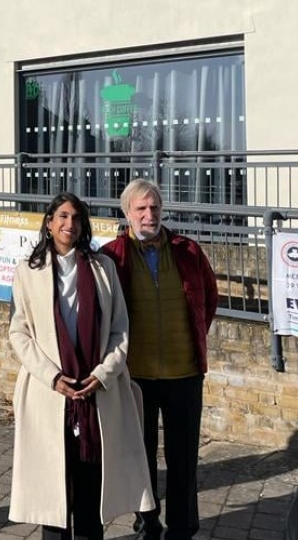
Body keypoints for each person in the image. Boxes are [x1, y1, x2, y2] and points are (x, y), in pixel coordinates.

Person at [8, 192, 155, 540]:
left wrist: (103, 374)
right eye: (61, 216)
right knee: (54, 499)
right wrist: (52, 377)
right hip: (50, 396)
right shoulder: (29, 271)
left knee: (91, 496)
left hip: (96, 396)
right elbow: (19, 333)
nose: (68, 224)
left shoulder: (103, 269)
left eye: (75, 218)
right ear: (48, 222)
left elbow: (120, 329)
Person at [101, 179, 218, 540]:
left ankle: (183, 528)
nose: (149, 214)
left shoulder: (188, 251)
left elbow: (208, 300)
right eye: (141, 208)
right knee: (141, 456)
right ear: (127, 213)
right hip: (135, 377)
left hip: (184, 373)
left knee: (184, 458)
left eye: (154, 207)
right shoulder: (111, 256)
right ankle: (147, 522)